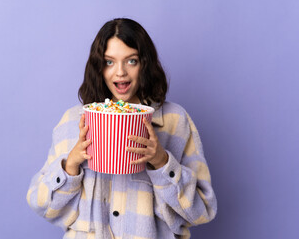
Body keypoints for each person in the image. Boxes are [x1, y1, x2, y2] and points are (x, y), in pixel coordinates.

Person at [26, 18, 217, 239]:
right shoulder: (73, 122)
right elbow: (41, 205)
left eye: (131, 61)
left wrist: (162, 162)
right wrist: (70, 166)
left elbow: (202, 211)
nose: (120, 73)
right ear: (98, 67)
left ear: (145, 63)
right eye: (109, 62)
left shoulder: (175, 121)